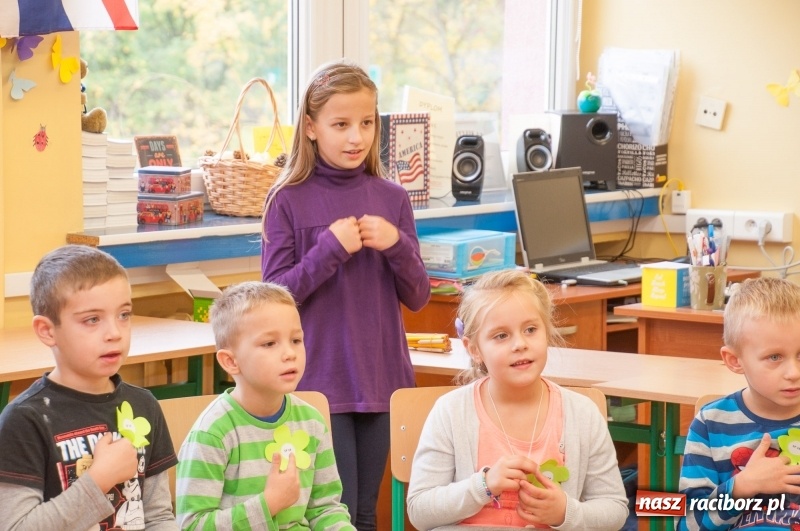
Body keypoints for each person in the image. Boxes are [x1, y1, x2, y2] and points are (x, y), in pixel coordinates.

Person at [261, 58, 430, 529]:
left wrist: (396, 245)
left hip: (382, 380)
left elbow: (418, 295)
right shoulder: (287, 200)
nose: (356, 137)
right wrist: (329, 250)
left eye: (367, 123)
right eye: (341, 124)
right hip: (321, 381)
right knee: (333, 514)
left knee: (365, 511)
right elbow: (273, 299)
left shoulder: (392, 199)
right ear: (311, 127)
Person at [406, 269, 628, 530]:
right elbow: (419, 511)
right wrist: (483, 486)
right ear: (474, 349)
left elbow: (614, 510)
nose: (520, 344)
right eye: (501, 336)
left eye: (531, 329)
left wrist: (565, 512)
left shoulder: (582, 414)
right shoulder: (451, 412)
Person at [0, 244, 177, 530]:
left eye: (124, 315)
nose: (114, 333)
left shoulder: (145, 405)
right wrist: (99, 479)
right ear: (47, 331)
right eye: (92, 320)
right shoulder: (24, 420)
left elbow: (158, 516)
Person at [175, 281, 355, 530]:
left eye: (295, 340)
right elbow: (192, 525)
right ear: (230, 361)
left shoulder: (311, 421)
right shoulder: (213, 433)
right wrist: (268, 504)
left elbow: (326, 508)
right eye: (270, 344)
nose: (289, 353)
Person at [678, 277, 800, 530]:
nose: (793, 372)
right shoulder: (711, 424)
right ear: (735, 360)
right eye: (774, 357)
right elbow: (688, 523)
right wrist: (742, 487)